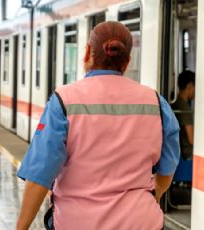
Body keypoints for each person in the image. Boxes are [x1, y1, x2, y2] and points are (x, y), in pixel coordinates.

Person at [16, 21, 180, 230]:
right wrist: (152, 195)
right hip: (142, 222)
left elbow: (40, 175)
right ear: (127, 61)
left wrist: (21, 227)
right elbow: (168, 166)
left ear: (86, 53)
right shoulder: (156, 102)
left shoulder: (64, 100)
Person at [171, 70, 195, 160]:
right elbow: (191, 139)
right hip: (187, 155)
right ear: (190, 86)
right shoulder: (184, 108)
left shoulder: (175, 103)